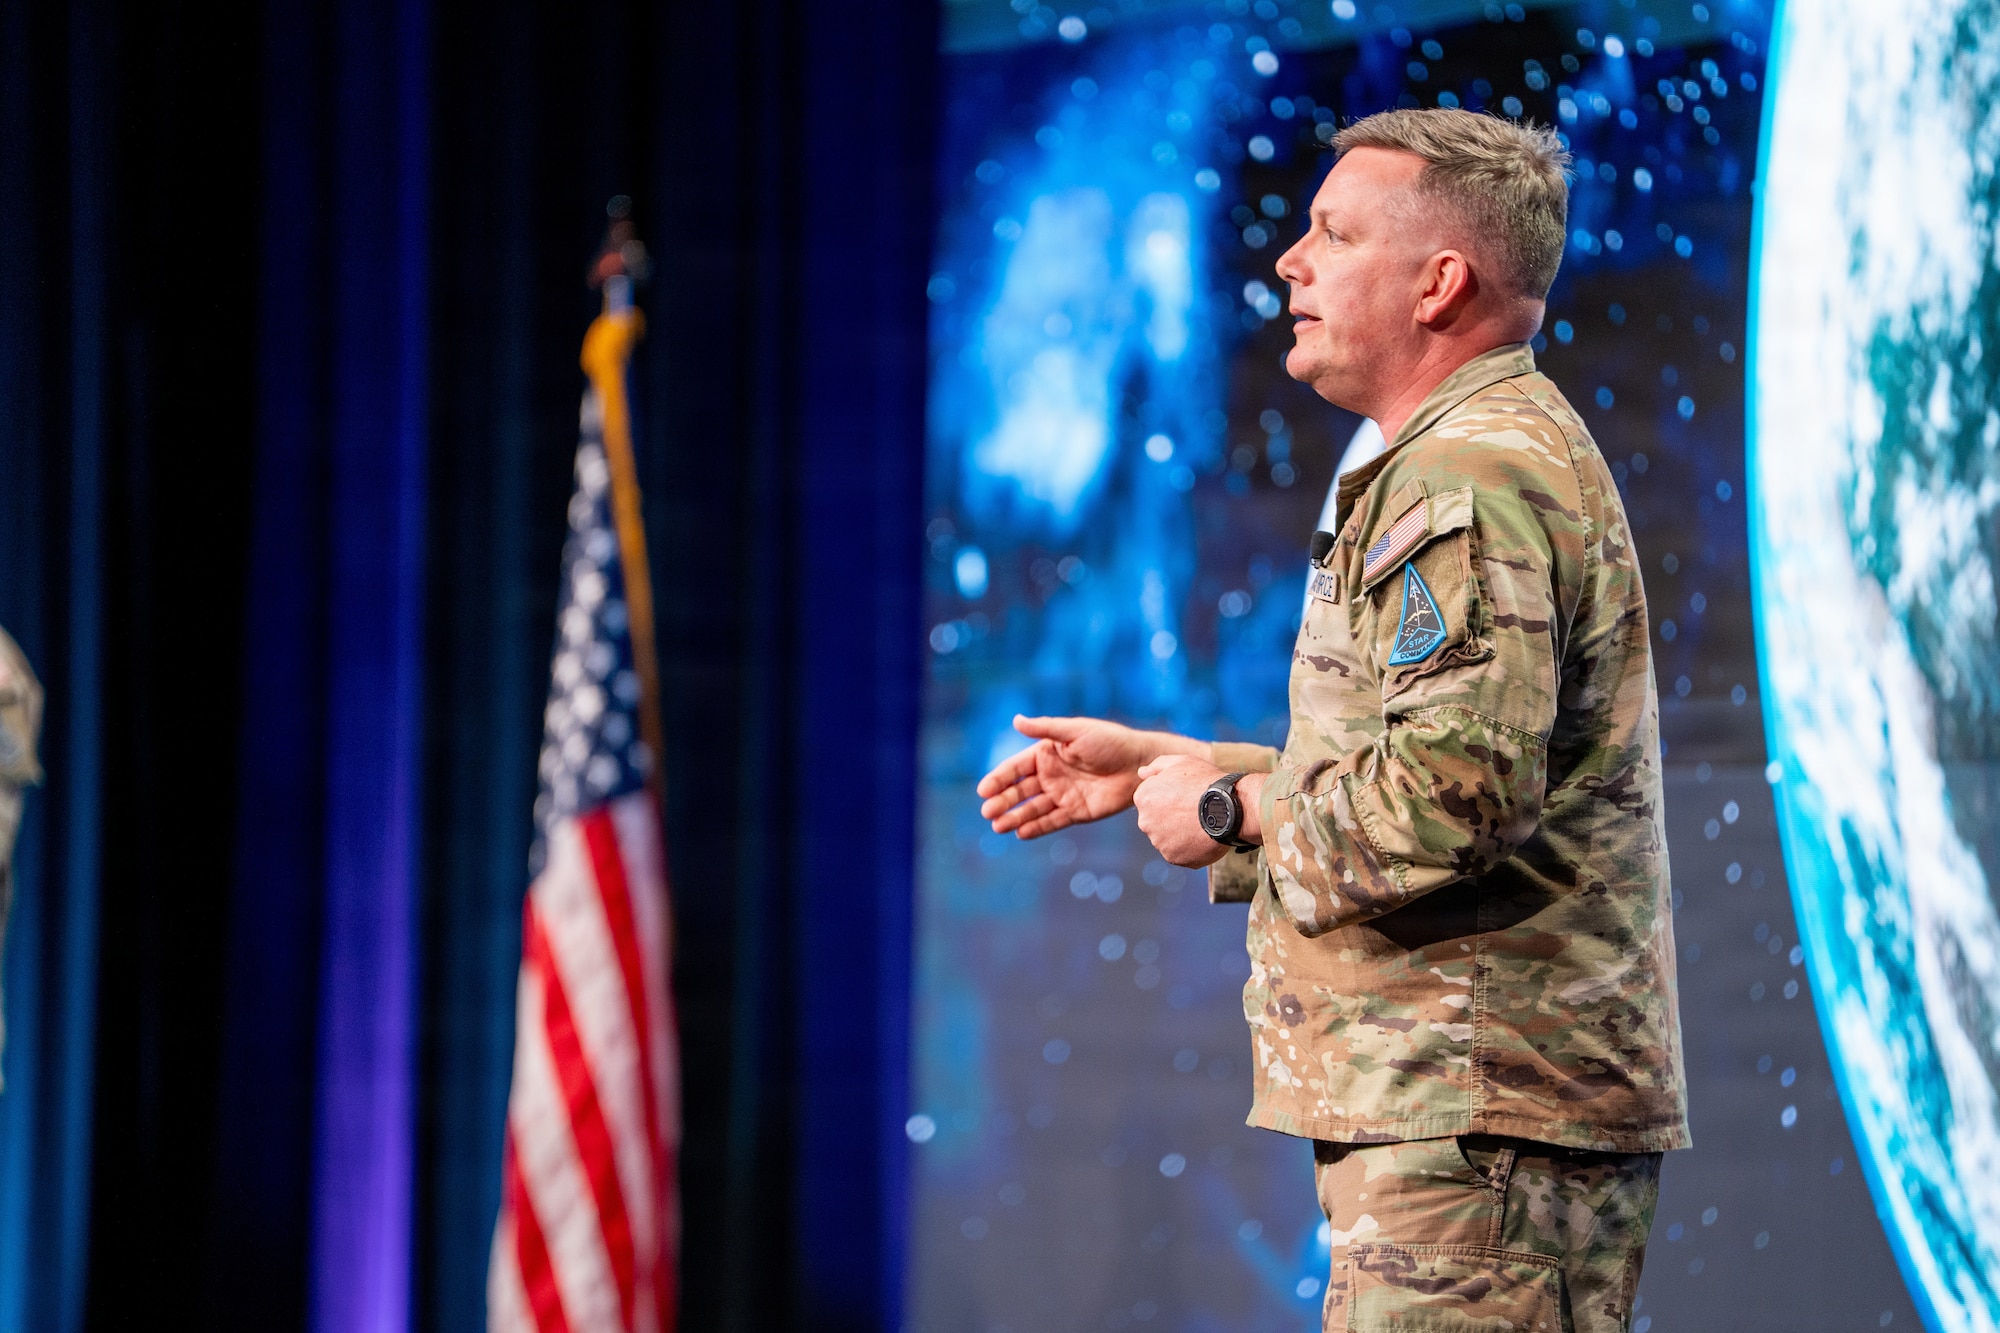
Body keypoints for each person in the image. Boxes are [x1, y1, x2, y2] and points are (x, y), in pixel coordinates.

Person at [976, 108, 1687, 1333]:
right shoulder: (1465, 455)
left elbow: (1452, 793)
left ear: (1437, 283)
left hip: (1473, 1124)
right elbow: (1437, 761)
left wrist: (1227, 808)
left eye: (1332, 234)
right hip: (1464, 1120)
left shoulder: (1464, 474)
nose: (1287, 263)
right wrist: (1193, 765)